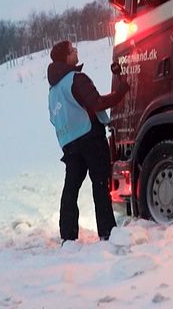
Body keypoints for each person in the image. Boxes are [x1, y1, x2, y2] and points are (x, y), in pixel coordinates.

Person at [47, 40, 130, 243]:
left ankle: (68, 236)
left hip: (69, 144)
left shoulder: (53, 91)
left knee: (71, 188)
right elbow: (97, 102)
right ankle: (107, 233)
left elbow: (53, 119)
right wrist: (120, 92)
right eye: (73, 50)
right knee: (100, 184)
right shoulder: (75, 78)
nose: (76, 52)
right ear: (67, 57)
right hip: (90, 138)